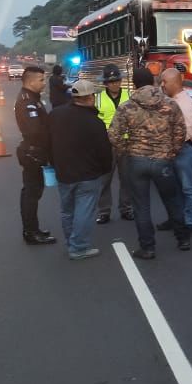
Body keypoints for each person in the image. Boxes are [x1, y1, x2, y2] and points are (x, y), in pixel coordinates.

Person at [108, 66, 188, 259]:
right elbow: (180, 131)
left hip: (136, 161)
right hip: (163, 161)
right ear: (154, 81)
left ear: (134, 83)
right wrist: (171, 151)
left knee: (141, 206)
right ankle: (182, 239)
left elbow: (114, 135)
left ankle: (148, 247)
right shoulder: (170, 104)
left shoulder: (126, 107)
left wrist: (127, 149)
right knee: (172, 200)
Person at [48, 78, 113, 260]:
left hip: (63, 172)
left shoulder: (56, 115)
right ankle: (79, 247)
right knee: (84, 211)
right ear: (91, 97)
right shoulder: (95, 123)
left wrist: (52, 162)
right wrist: (105, 169)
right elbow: (104, 151)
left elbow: (47, 141)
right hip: (88, 175)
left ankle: (71, 242)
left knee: (67, 210)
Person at [14, 65, 56, 244]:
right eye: (41, 80)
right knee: (31, 194)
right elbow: (35, 131)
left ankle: (33, 229)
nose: (44, 83)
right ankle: (30, 233)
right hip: (32, 153)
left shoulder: (34, 98)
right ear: (31, 81)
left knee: (34, 193)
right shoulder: (27, 101)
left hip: (35, 152)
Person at [158, 67, 192, 234]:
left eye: (165, 82)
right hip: (176, 149)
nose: (162, 85)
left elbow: (186, 132)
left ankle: (190, 223)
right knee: (175, 188)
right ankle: (177, 218)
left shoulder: (185, 104)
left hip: (185, 150)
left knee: (188, 188)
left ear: (175, 83)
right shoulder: (172, 100)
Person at [95, 64, 133, 224]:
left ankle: (126, 209)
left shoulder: (130, 95)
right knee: (104, 180)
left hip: (126, 142)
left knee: (127, 179)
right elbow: (95, 121)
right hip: (106, 144)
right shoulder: (98, 98)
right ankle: (104, 212)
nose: (114, 84)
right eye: (110, 82)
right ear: (105, 83)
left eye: (117, 80)